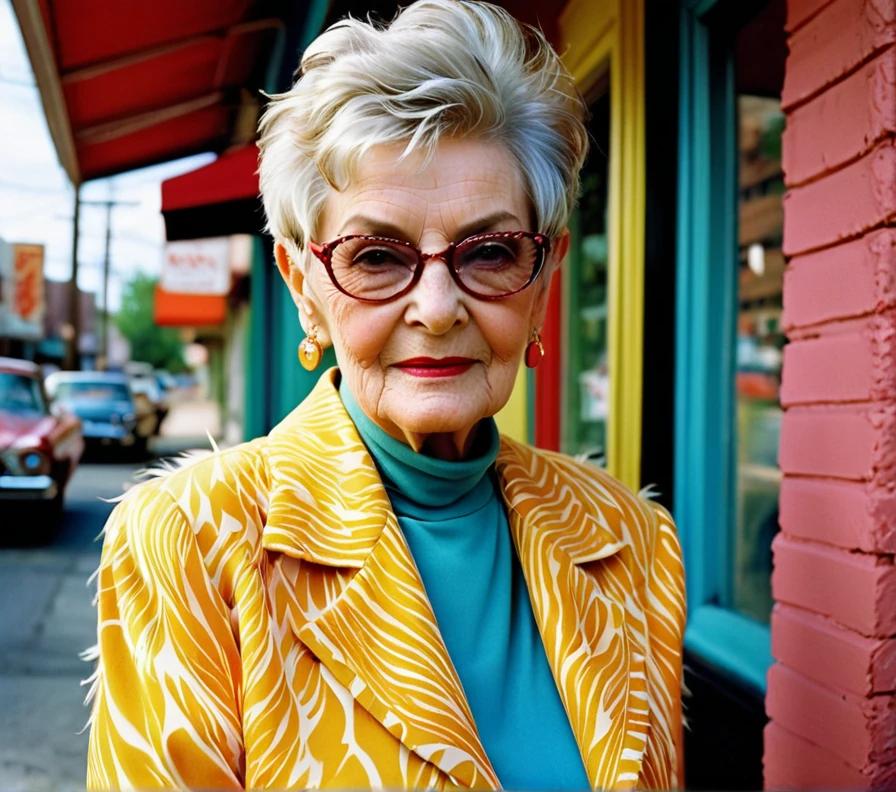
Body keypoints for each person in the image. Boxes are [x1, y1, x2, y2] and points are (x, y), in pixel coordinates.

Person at [85, 1, 685, 789]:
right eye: (375, 257)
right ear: (304, 286)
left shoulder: (630, 540)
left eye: (492, 251)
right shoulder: (197, 541)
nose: (437, 309)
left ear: (542, 282)